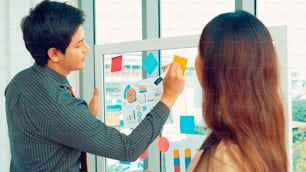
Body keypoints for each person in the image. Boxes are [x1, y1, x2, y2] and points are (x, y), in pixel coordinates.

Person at [5, 0, 185, 171]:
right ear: (54, 54)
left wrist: (84, 119)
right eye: (78, 44)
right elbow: (129, 149)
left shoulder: (18, 83)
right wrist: (169, 96)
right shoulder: (61, 106)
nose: (87, 48)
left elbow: (44, 130)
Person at [187, 10, 288, 172]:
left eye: (200, 53)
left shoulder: (225, 157)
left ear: (215, 70)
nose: (195, 61)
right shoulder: (261, 141)